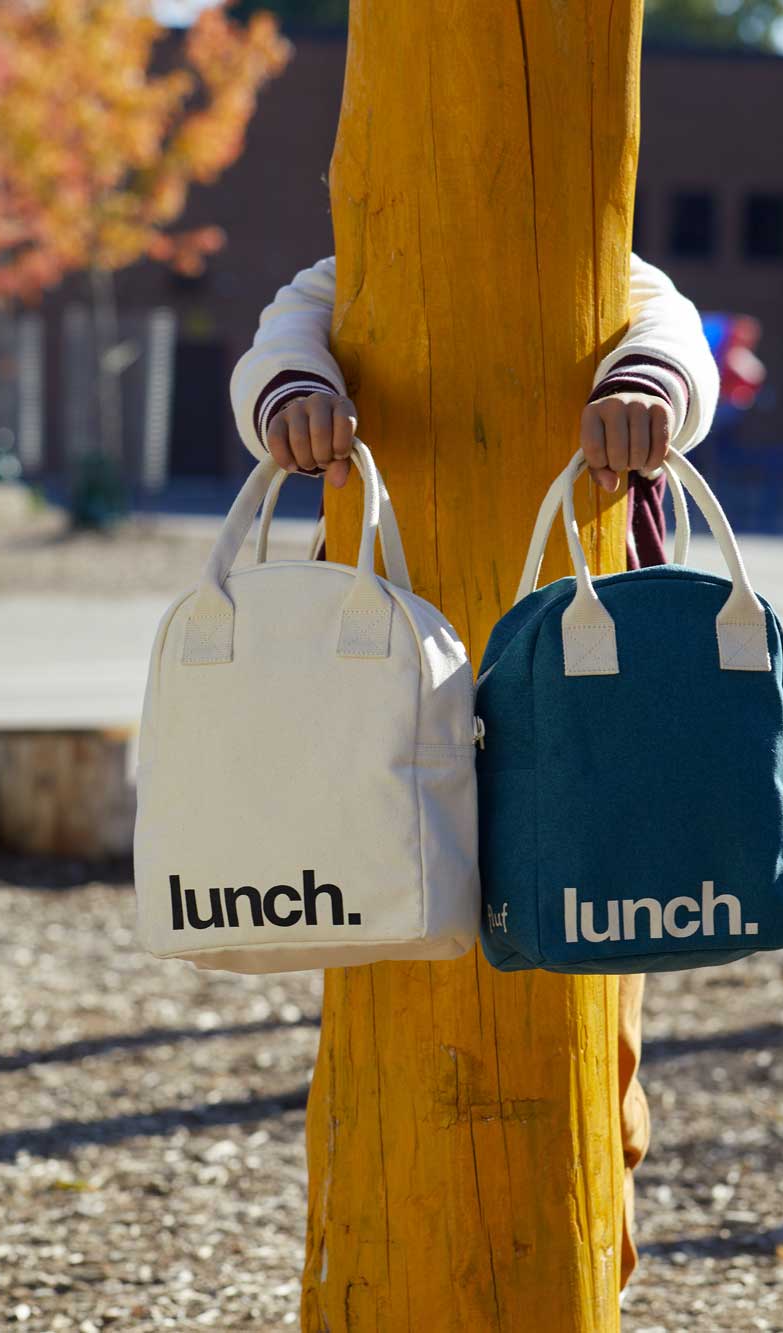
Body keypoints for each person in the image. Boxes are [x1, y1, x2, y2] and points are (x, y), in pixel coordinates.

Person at [228, 249, 719, 1289]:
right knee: (388, 917)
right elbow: (283, 331)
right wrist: (293, 391)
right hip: (400, 678)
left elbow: (668, 326)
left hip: (580, 689)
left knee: (593, 971)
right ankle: (399, 1251)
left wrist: (647, 386)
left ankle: (592, 1235)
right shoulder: (354, 268)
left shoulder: (598, 258)